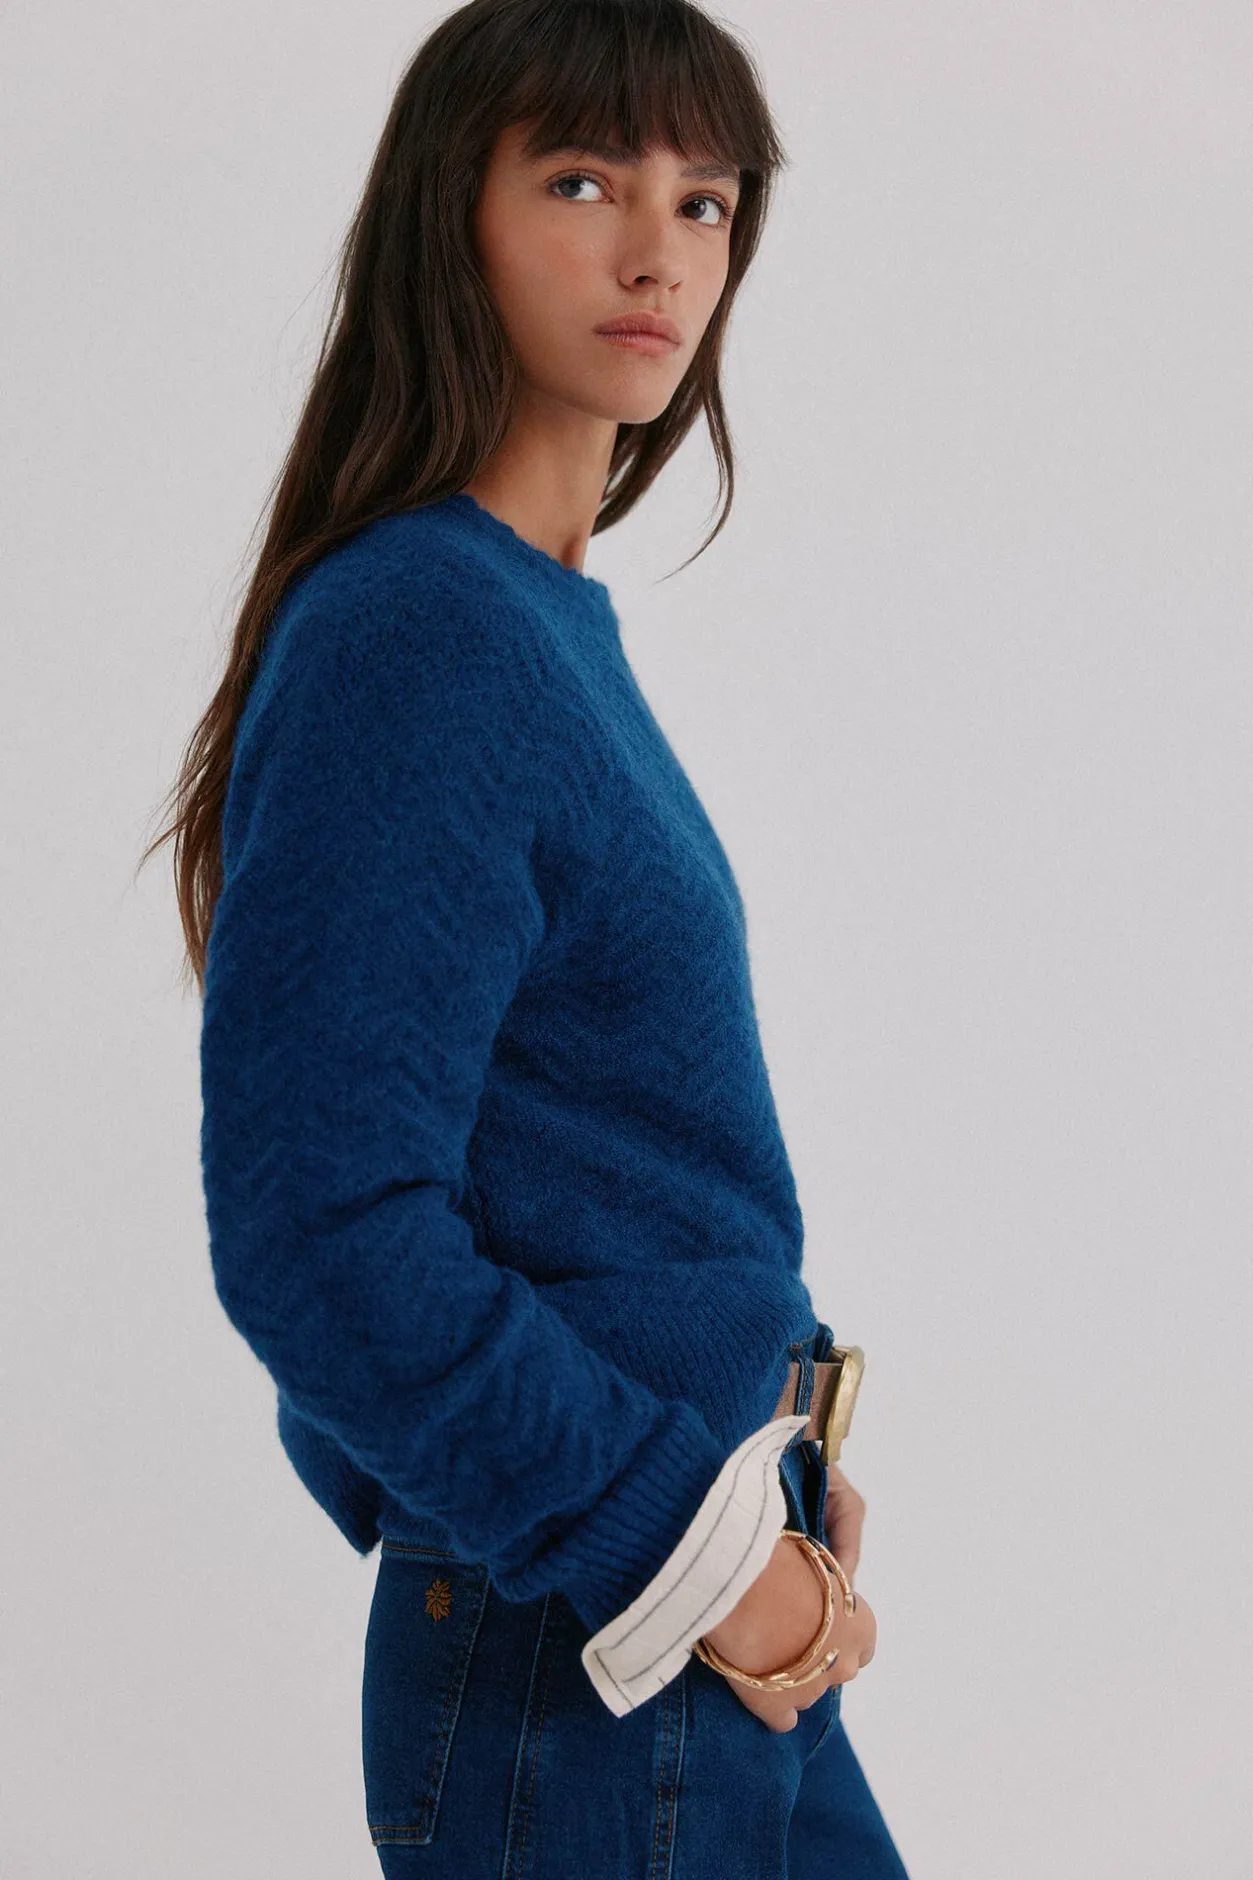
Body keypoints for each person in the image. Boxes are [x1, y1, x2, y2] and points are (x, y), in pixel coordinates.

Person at [143, 1, 911, 1872]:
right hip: (603, 1653)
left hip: (665, 1622)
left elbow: (561, 1162)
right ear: (450, 212)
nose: (660, 252)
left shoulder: (530, 621)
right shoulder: (421, 629)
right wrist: (686, 1548)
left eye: (705, 200)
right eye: (582, 181)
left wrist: (749, 1471)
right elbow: (321, 1232)